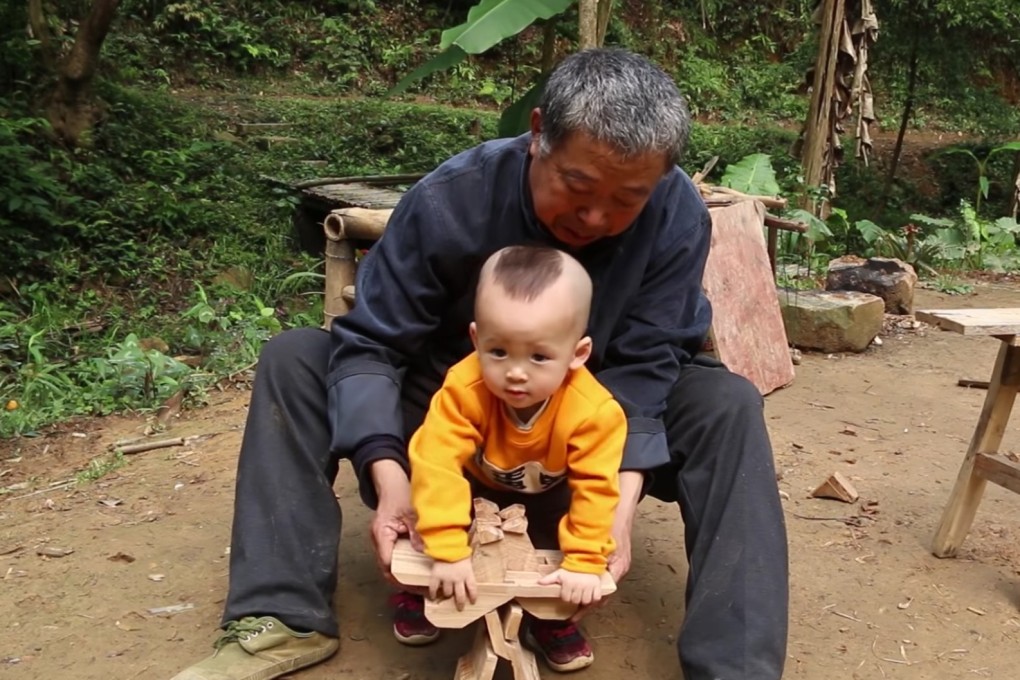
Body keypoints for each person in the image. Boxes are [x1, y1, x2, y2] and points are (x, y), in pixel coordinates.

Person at [172, 47, 789, 680]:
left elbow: (648, 366)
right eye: (577, 187)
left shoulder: (677, 211)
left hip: (583, 440)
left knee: (726, 404)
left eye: (627, 199)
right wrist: (393, 482)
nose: (597, 217)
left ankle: (736, 665)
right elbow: (373, 345)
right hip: (449, 428)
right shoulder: (452, 199)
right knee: (296, 359)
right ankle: (281, 616)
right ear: (538, 134)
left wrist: (615, 513)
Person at [409, 245, 625, 670]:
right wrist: (448, 550)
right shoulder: (462, 388)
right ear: (476, 339)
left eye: (540, 356)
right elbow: (436, 461)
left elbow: (597, 488)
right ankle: (421, 590)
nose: (516, 372)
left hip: (549, 490)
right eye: (499, 351)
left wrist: (584, 562)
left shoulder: (595, 411)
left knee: (549, 542)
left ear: (577, 355)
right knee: (426, 512)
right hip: (475, 484)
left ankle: (549, 617)